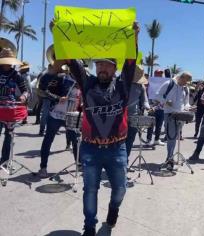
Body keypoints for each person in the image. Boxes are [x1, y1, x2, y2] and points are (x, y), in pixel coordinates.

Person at [66, 22, 139, 236]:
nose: (102, 68)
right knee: (90, 190)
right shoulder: (87, 83)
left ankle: (113, 211)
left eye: (107, 65)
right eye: (99, 65)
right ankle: (89, 227)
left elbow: (131, 61)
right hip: (90, 149)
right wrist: (59, 34)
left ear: (114, 69)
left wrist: (134, 37)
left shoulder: (123, 85)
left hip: (117, 149)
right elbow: (72, 61)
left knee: (120, 189)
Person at [37, 55, 80, 178]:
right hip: (55, 114)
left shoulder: (82, 82)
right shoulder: (60, 77)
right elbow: (43, 89)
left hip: (71, 116)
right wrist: (57, 98)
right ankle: (43, 167)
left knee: (76, 141)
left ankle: (79, 165)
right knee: (48, 140)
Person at [156, 72, 192, 170]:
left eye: (187, 82)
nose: (186, 83)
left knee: (175, 137)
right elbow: (157, 95)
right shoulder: (169, 83)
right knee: (171, 137)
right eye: (185, 81)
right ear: (181, 77)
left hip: (181, 115)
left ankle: (171, 157)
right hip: (169, 114)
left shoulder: (186, 88)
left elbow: (186, 103)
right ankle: (170, 159)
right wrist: (166, 102)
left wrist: (189, 108)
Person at [0, 48, 28, 165]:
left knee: (8, 135)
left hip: (10, 109)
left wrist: (23, 97)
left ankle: (5, 160)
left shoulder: (16, 74)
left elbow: (25, 90)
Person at [126, 65, 150, 159]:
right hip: (120, 116)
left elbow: (145, 100)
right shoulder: (122, 83)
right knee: (119, 141)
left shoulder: (141, 86)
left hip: (134, 116)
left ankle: (125, 162)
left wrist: (147, 107)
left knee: (130, 141)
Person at [146, 69, 166, 146]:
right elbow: (148, 95)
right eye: (158, 74)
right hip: (152, 107)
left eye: (161, 74)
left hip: (161, 107)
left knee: (159, 125)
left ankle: (157, 139)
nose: (159, 75)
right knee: (150, 124)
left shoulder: (164, 84)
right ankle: (149, 139)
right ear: (155, 74)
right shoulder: (150, 83)